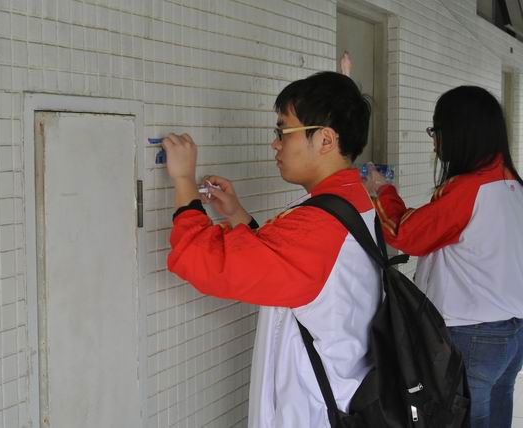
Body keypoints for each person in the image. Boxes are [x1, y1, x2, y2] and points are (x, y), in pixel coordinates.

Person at [162, 71, 378, 427]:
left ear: (325, 139)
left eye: (283, 132)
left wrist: (183, 180)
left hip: (313, 414)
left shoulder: (319, 223)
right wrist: (237, 216)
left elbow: (202, 259)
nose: (275, 145)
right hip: (342, 396)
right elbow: (287, 268)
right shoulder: (351, 201)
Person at [365, 85, 523, 428]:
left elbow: (406, 234)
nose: (434, 142)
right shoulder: (511, 183)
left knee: (463, 419)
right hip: (511, 332)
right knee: (495, 415)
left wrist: (381, 190)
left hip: (473, 333)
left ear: (460, 132)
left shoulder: (469, 189)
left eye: (436, 130)